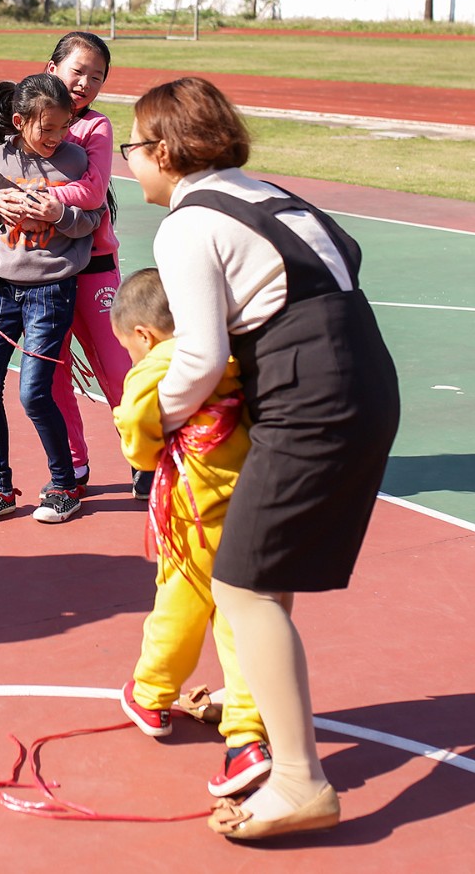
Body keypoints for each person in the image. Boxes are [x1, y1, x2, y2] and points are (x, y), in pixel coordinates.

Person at [123, 77, 400, 841]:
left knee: (240, 584)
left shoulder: (186, 225)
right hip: (364, 382)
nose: (130, 164)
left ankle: (300, 781)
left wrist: (158, 427)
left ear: (167, 152)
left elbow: (201, 356)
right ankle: (262, 720)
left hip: (311, 396)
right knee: (260, 579)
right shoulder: (269, 196)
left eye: (134, 148)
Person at [109, 268, 271, 800]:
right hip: (247, 497)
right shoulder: (225, 357)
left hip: (193, 511)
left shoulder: (156, 366)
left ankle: (152, 693)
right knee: (240, 619)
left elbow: (138, 431)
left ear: (144, 336)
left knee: (179, 603)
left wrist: (140, 446)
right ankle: (247, 737)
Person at [0, 31, 141, 498]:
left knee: (115, 368)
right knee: (55, 373)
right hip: (48, 272)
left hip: (94, 265)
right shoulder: (29, 119)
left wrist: (36, 196)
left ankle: (144, 458)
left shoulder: (95, 128)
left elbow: (91, 191)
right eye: (78, 71)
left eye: (97, 76)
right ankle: (73, 468)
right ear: (52, 70)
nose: (86, 82)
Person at [0, 75, 103, 525]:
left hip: (50, 292)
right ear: (21, 122)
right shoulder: (0, 155)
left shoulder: (76, 159)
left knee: (34, 393)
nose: (57, 138)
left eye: (63, 128)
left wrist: (58, 213)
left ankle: (64, 485)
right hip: (0, 288)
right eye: (48, 129)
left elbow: (93, 216)